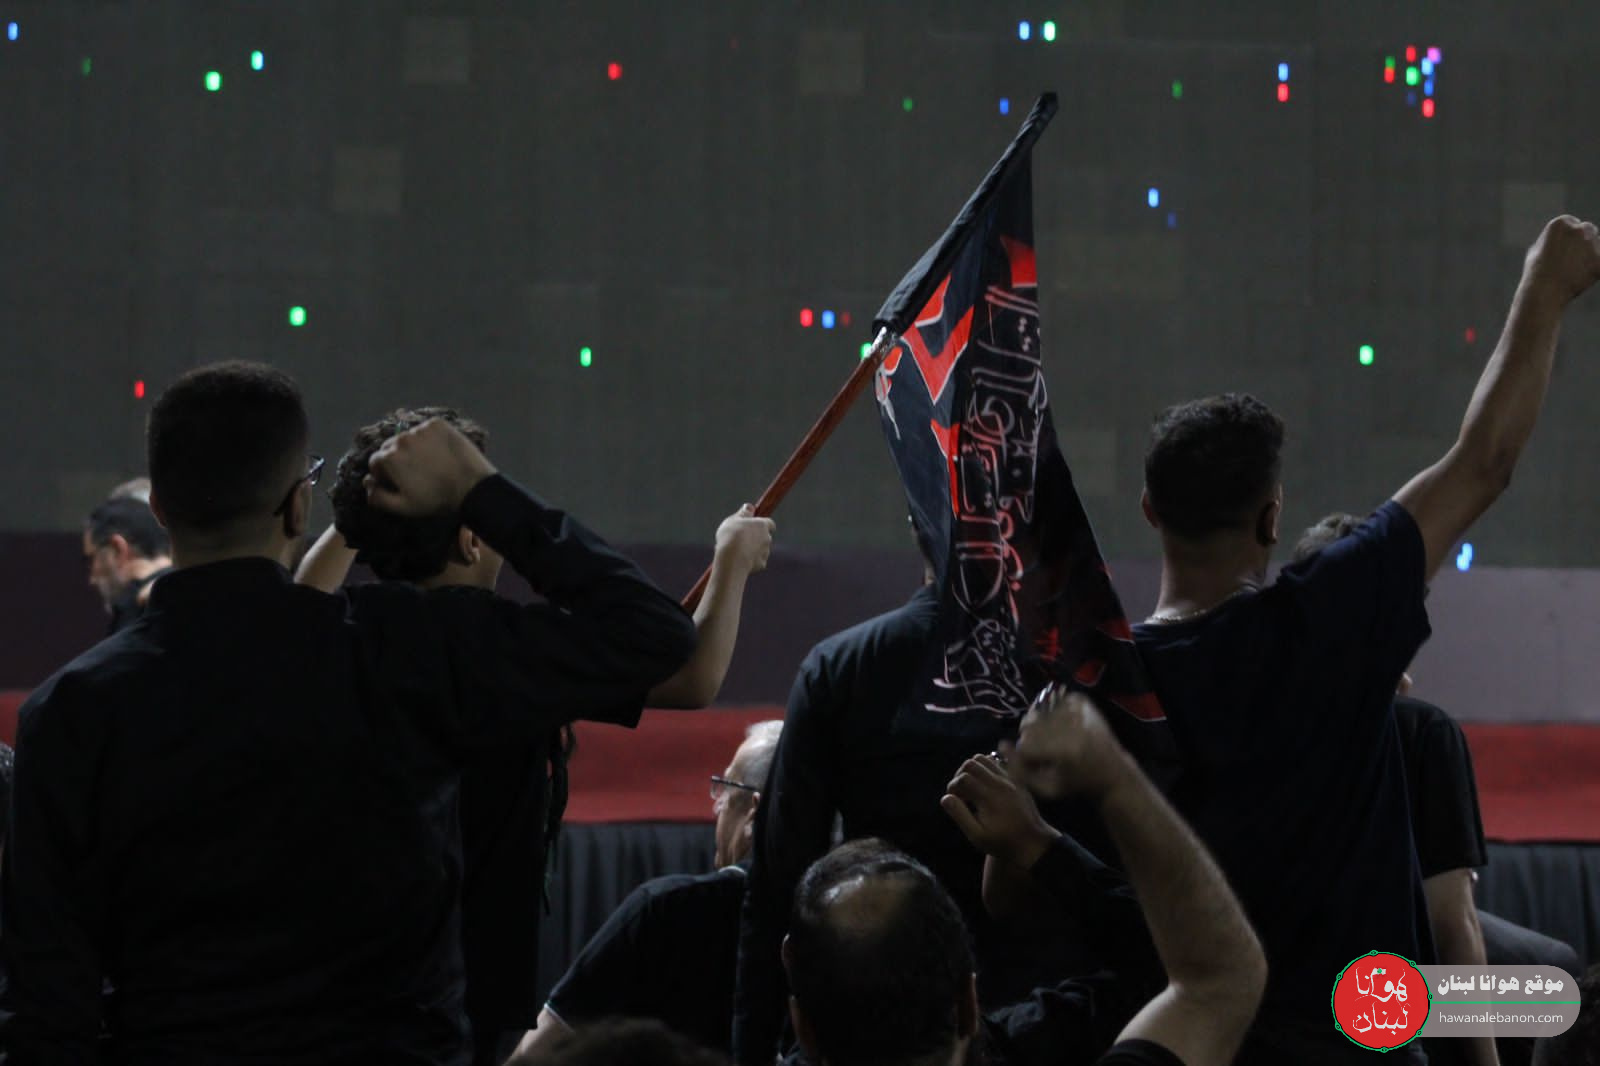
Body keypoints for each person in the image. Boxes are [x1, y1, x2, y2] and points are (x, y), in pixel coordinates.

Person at [0, 362, 697, 1064]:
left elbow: (47, 998)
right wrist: (481, 490)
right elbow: (654, 634)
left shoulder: (69, 711)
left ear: (159, 508)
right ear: (298, 506)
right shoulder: (399, 648)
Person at [1130, 215, 1600, 1064]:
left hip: (1192, 1040)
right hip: (1366, 1028)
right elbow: (1484, 460)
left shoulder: (1098, 694)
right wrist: (1547, 282)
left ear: (1149, 512)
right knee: (1552, 983)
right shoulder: (1343, 652)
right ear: (1271, 518)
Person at [297, 406, 774, 1065]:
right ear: (473, 538)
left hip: (331, 992)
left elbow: (304, 594)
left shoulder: (332, 635)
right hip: (463, 998)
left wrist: (359, 513)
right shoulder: (503, 651)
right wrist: (732, 562)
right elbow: (681, 665)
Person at [780, 687, 1265, 1066]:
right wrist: (1045, 840)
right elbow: (1206, 973)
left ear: (803, 1027)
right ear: (968, 1005)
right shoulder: (1032, 1043)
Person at [1295, 514, 1584, 1066]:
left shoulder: (1262, 715)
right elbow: (1453, 924)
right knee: (1551, 988)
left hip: (1275, 980)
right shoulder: (1420, 730)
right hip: (1360, 998)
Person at [733, 523, 1027, 1064]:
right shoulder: (1065, 673)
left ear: (916, 525)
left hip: (857, 1017)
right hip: (1025, 1023)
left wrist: (752, 1052)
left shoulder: (841, 668)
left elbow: (778, 884)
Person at [517, 720, 784, 1059]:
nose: (715, 807)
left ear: (754, 812)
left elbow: (538, 1053)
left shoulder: (665, 910)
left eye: (727, 789)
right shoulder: (829, 914)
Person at [82, 493, 173, 632]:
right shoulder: (198, 592)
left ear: (118, 549)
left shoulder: (140, 610)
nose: (92, 579)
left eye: (91, 559)